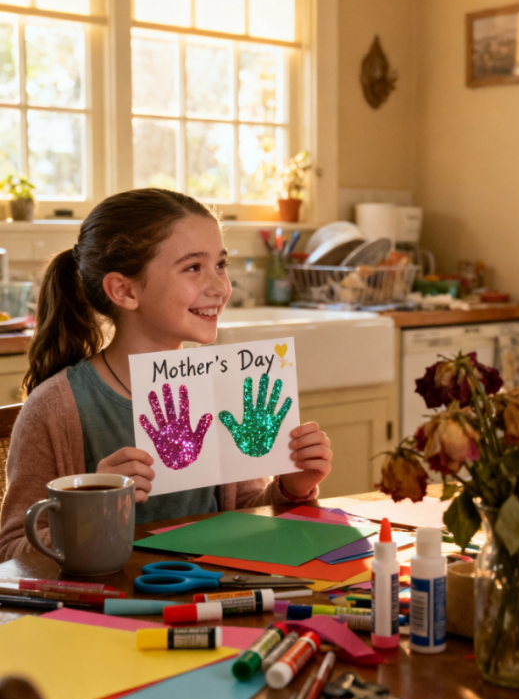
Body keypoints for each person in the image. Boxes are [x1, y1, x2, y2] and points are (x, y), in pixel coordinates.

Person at [0, 188, 332, 560]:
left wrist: (291, 488)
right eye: (193, 267)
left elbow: (247, 521)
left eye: (220, 265)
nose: (221, 288)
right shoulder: (56, 407)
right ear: (123, 290)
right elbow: (10, 551)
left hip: (212, 600)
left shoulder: (224, 385)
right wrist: (93, 507)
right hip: (104, 614)